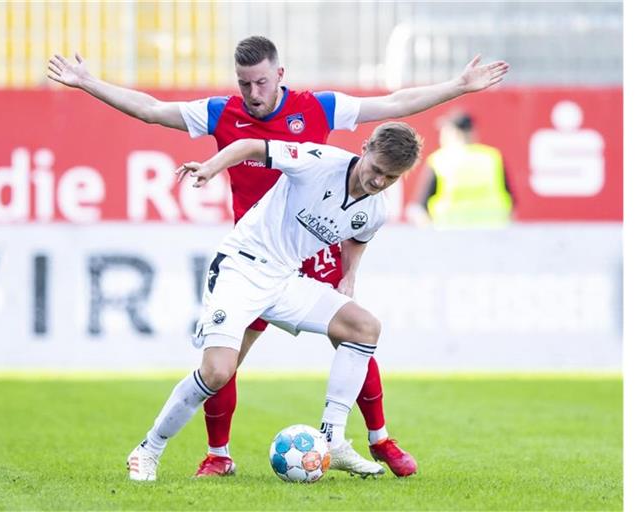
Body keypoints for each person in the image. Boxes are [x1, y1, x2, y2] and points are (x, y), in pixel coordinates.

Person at [47, 36, 509, 478]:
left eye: (261, 82)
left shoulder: (319, 113)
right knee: (220, 368)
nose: (252, 92)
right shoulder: (237, 120)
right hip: (250, 256)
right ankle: (202, 453)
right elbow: (151, 110)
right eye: (244, 83)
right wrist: (89, 82)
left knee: (360, 329)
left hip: (304, 256)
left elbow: (391, 106)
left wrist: (456, 86)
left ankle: (355, 438)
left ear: (279, 75)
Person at [126, 121, 423, 481]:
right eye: (376, 170)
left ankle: (334, 437)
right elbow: (252, 145)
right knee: (217, 372)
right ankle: (148, 449)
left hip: (285, 280)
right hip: (241, 268)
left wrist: (349, 276)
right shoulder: (319, 161)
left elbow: (359, 236)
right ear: (365, 147)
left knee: (364, 328)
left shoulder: (376, 208)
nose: (378, 182)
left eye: (390, 178)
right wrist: (211, 167)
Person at [409, 111, 513, 228]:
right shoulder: (493, 158)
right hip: (492, 235)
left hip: (450, 237)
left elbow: (420, 209)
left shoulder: (440, 161)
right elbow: (511, 203)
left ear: (453, 133)